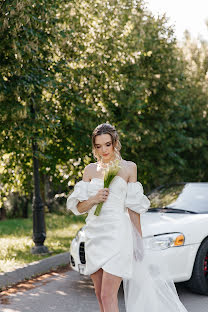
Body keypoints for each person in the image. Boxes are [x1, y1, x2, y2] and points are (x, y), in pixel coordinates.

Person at [66, 123, 189, 312]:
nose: (103, 150)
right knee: (100, 296)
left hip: (118, 235)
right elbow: (80, 207)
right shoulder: (89, 170)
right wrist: (94, 199)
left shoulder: (129, 168)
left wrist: (138, 240)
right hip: (94, 235)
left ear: (115, 143)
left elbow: (133, 208)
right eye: (98, 146)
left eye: (107, 144)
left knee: (108, 296)